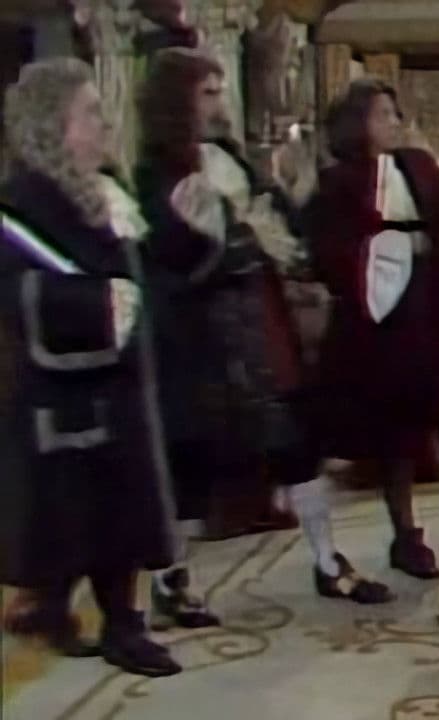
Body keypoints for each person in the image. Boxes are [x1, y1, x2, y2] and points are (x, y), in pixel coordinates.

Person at [134, 48, 387, 607]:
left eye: (218, 90)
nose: (218, 103)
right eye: (207, 93)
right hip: (204, 333)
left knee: (297, 438)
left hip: (262, 318)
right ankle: (171, 582)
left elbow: (281, 226)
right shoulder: (155, 171)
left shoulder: (228, 157)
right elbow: (166, 257)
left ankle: (328, 561)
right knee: (194, 459)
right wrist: (211, 235)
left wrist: (291, 198)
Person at [0, 57, 181, 677]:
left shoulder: (104, 191)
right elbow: (16, 292)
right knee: (79, 515)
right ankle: (109, 624)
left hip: (119, 380)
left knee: (115, 507)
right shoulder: (22, 202)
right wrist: (96, 305)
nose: (105, 125)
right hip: (65, 392)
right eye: (90, 113)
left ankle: (88, 615)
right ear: (52, 124)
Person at [306, 78, 439, 580]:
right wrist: (386, 256)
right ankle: (406, 535)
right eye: (382, 114)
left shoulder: (418, 164)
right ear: (357, 123)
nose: (393, 123)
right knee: (397, 430)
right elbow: (329, 251)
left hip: (434, 302)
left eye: (394, 113)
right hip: (381, 318)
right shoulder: (338, 182)